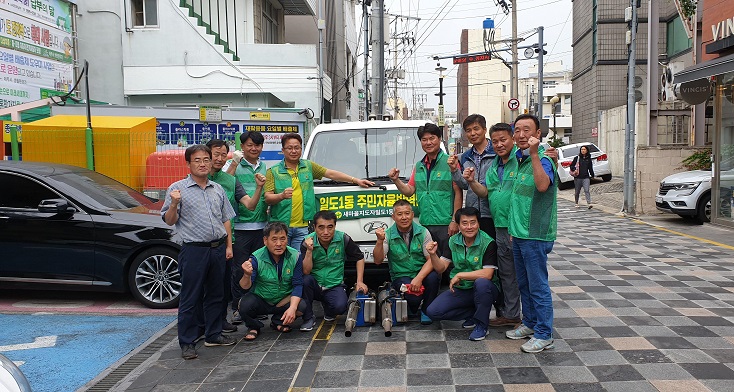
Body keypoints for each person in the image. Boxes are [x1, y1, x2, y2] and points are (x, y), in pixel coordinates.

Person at [161, 144, 237, 360]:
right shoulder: (177, 189)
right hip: (194, 250)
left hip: (218, 248)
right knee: (190, 297)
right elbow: (169, 220)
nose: (203, 164)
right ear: (188, 163)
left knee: (216, 295)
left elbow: (225, 219)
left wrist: (229, 246)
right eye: (197, 160)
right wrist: (174, 204)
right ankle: (187, 342)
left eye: (206, 159)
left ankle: (213, 335)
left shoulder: (217, 189)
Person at [264, 133, 374, 251]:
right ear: (283, 150)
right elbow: (267, 198)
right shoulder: (273, 171)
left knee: (300, 259)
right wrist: (281, 196)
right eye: (289, 148)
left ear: (301, 149)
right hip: (281, 227)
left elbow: (330, 174)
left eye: (297, 148)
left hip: (303, 227)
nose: (293, 151)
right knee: (281, 259)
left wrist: (355, 180)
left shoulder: (308, 166)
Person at [504, 114, 557, 353]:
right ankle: (530, 323)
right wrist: (514, 231)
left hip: (535, 235)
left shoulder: (543, 159)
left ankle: (544, 334)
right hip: (519, 234)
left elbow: (543, 185)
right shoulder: (518, 159)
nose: (522, 134)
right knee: (524, 284)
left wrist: (536, 154)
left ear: (538, 134)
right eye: (518, 130)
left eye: (528, 130)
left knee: (538, 286)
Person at [461, 123, 522, 327]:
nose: (499, 144)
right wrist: (470, 181)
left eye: (503, 140)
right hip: (498, 223)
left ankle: (534, 320)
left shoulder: (521, 159)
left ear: (513, 138)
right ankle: (511, 314)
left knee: (525, 274)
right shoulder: (495, 164)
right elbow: (486, 192)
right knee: (505, 271)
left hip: (518, 227)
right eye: (495, 141)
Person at [206, 139, 266, 332]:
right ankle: (202, 326)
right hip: (201, 242)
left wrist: (258, 187)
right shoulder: (201, 178)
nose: (220, 158)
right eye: (216, 154)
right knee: (203, 287)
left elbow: (249, 205)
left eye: (224, 154)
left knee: (223, 284)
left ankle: (222, 321)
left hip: (225, 240)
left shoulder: (230, 181)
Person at [388, 123, 463, 259]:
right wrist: (396, 180)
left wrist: (455, 221)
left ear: (440, 139)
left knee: (448, 262)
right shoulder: (419, 166)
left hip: (445, 224)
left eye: (432, 138)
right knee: (429, 262)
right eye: (424, 139)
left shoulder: (450, 162)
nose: (428, 142)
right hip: (425, 224)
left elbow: (458, 192)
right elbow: (409, 190)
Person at [424, 207, 500, 341]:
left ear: (478, 224)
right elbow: (441, 268)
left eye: (473, 222)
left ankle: (482, 325)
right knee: (433, 312)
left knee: (481, 283)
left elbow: (488, 274)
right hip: (463, 289)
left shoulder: (488, 242)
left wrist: (460, 275)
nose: (469, 227)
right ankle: (473, 313)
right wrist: (433, 255)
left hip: (486, 289)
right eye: (465, 223)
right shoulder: (453, 241)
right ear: (458, 226)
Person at [224, 131, 269, 324]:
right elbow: (223, 183)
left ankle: (253, 307)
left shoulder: (264, 165)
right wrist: (234, 162)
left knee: (257, 268)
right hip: (240, 226)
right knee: (240, 270)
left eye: (257, 145)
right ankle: (237, 308)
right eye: (250, 145)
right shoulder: (233, 164)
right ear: (242, 146)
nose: (254, 148)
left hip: (261, 226)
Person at [373, 199, 440, 324]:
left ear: (412, 215)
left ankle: (426, 309)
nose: (404, 217)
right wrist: (379, 241)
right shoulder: (387, 235)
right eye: (399, 214)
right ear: (393, 217)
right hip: (401, 276)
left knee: (434, 277)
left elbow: (430, 259)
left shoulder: (423, 232)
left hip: (422, 273)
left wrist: (419, 278)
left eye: (407, 213)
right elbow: (378, 260)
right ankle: (412, 304)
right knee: (414, 299)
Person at [299, 210, 368, 331]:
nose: (326, 232)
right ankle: (308, 318)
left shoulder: (343, 238)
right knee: (305, 281)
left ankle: (329, 309)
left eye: (330, 227)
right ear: (314, 227)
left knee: (340, 307)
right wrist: (309, 251)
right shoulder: (307, 241)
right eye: (321, 227)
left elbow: (360, 258)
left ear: (335, 226)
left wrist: (360, 281)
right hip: (315, 284)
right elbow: (306, 271)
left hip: (334, 285)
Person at [237, 221, 307, 340]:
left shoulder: (295, 256)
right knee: (244, 305)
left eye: (282, 239)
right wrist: (247, 274)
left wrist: (292, 308)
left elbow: (298, 284)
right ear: (265, 240)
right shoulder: (256, 258)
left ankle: (277, 321)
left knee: (301, 307)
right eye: (274, 239)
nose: (279, 244)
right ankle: (253, 326)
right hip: (261, 299)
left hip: (283, 299)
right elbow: (244, 287)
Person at [448, 114, 497, 243]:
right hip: (473, 213)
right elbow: (465, 185)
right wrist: (454, 170)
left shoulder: (496, 152)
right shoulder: (465, 156)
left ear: (485, 130)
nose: (473, 133)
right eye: (468, 131)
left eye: (476, 129)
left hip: (494, 212)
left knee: (495, 251)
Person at [570, 145, 595, 209]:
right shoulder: (577, 158)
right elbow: (571, 166)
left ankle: (589, 203)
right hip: (578, 177)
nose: (583, 151)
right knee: (577, 191)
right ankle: (576, 202)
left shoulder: (588, 159)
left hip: (586, 177)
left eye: (584, 149)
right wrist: (574, 169)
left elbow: (590, 168)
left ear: (587, 151)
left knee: (587, 190)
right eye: (582, 149)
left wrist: (592, 175)